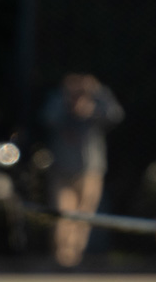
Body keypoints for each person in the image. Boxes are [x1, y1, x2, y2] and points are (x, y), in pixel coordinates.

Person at [42, 73, 123, 266]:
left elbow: (116, 114)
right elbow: (47, 117)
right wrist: (65, 97)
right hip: (62, 170)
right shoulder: (60, 103)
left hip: (91, 170)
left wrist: (98, 91)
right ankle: (63, 255)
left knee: (84, 215)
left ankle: (74, 255)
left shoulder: (95, 106)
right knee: (63, 212)